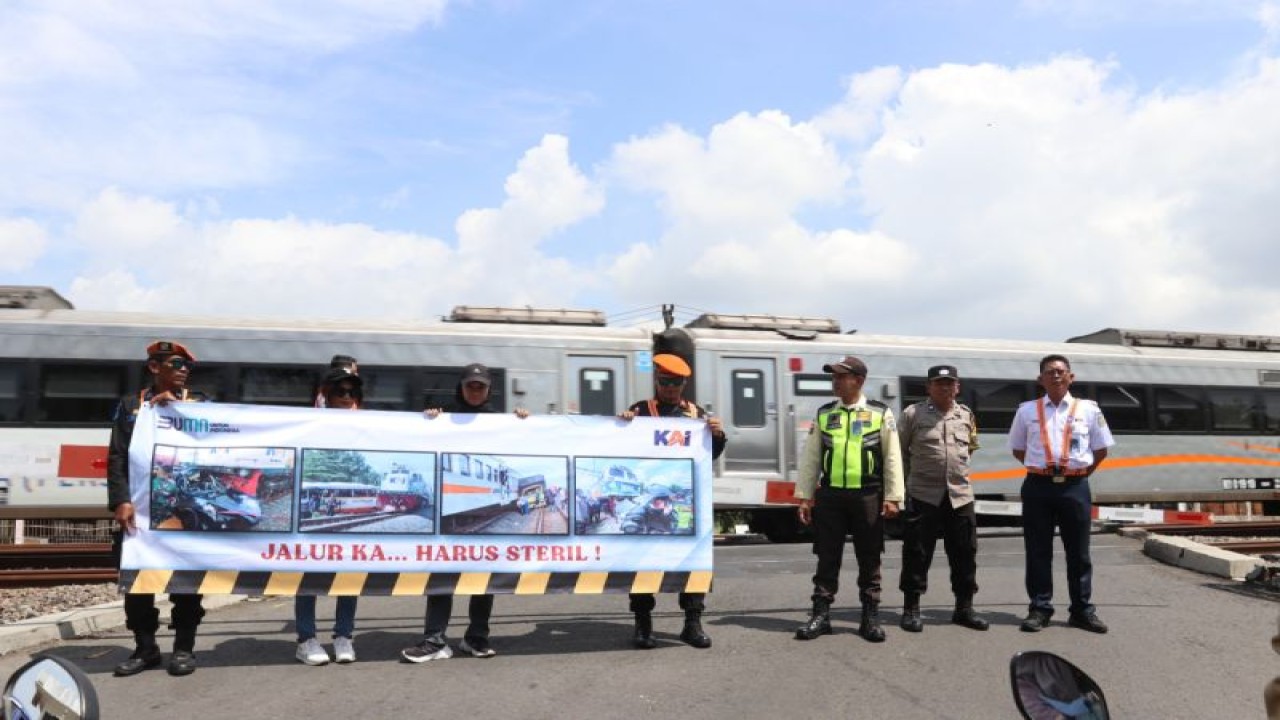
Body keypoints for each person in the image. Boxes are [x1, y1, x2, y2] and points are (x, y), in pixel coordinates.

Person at [402, 363, 528, 663]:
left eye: (480, 386)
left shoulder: (499, 420)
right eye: (470, 385)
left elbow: (521, 443)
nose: (475, 391)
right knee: (441, 577)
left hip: (461, 508)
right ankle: (434, 640)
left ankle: (476, 637)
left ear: (488, 390)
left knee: (484, 580)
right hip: (446, 504)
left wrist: (522, 422)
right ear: (461, 387)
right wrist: (429, 420)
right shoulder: (444, 416)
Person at [107, 340, 207, 677]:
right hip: (140, 510)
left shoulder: (199, 403)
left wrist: (179, 410)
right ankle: (145, 648)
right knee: (138, 583)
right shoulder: (130, 406)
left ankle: (184, 648)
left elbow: (215, 441)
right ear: (154, 367)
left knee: (186, 583)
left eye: (187, 366)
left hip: (184, 510)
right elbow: (117, 456)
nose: (183, 370)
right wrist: (121, 500)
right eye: (176, 364)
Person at [618, 353, 726, 650]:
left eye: (675, 383)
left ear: (683, 384)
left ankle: (692, 623)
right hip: (651, 498)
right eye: (665, 382)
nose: (670, 388)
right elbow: (622, 449)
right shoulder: (640, 411)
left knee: (692, 562)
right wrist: (622, 426)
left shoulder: (696, 414)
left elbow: (710, 456)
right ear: (656, 380)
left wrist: (717, 436)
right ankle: (643, 624)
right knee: (643, 563)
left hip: (685, 501)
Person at [794, 355, 903, 643]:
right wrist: (805, 496)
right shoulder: (824, 413)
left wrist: (893, 497)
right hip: (831, 496)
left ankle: (870, 618)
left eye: (842, 376)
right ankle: (820, 616)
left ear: (859, 380)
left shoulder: (880, 413)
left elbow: (892, 457)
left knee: (869, 557)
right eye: (834, 376)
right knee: (826, 556)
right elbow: (811, 458)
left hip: (868, 494)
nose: (836, 381)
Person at [1009, 354, 1115, 634]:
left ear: (1071, 377)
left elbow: (1101, 449)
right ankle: (1039, 609)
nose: (1055, 375)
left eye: (1060, 371)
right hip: (1038, 486)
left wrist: (1078, 474)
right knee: (1038, 550)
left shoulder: (1089, 410)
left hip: (1075, 486)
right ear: (1040, 379)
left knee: (1079, 552)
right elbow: (1018, 449)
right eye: (1049, 371)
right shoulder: (1026, 411)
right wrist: (1044, 470)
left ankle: (1081, 611)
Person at [897, 365, 989, 632]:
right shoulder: (913, 414)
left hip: (960, 496)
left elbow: (970, 448)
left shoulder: (966, 415)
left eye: (950, 383)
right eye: (939, 383)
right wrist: (903, 489)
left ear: (957, 387)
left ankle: (964, 608)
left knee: (965, 553)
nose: (945, 387)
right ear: (929, 387)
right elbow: (899, 453)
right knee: (917, 553)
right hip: (923, 494)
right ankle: (911, 609)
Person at [295, 367, 364, 666]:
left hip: (339, 499)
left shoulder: (367, 424)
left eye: (352, 392)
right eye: (340, 391)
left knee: (348, 574)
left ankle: (343, 635)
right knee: (306, 575)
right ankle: (306, 639)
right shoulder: (309, 423)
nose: (347, 397)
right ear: (325, 394)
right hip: (310, 498)